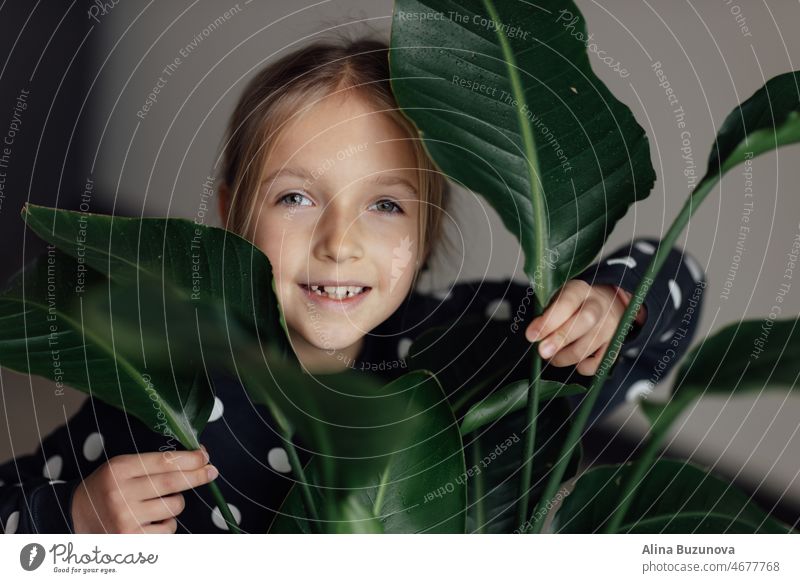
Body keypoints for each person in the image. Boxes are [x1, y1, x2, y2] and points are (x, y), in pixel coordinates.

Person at [0, 35, 705, 534]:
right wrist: (72, 522)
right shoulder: (166, 389)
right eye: (296, 198)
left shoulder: (470, 345)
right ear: (230, 217)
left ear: (425, 234)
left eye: (385, 205)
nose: (340, 242)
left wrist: (614, 305)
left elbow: (673, 292)